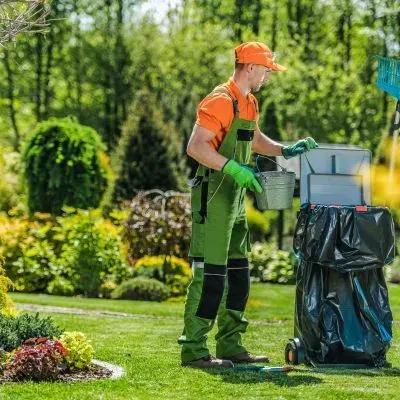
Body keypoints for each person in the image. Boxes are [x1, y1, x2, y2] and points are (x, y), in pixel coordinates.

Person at [178, 41, 318, 368]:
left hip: (237, 199)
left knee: (239, 274)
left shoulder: (249, 102)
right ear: (251, 67)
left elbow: (254, 140)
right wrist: (232, 168)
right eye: (267, 69)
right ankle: (195, 349)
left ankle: (230, 344)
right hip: (214, 197)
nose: (268, 76)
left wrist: (285, 150)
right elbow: (196, 147)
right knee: (210, 275)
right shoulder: (220, 100)